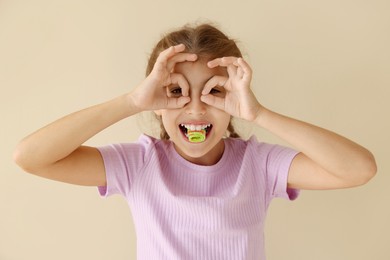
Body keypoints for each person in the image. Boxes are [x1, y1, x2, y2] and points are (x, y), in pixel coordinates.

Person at [13, 23, 377, 259]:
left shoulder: (259, 164)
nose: (196, 108)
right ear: (156, 99)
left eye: (214, 92)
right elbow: (30, 157)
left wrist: (258, 114)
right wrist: (131, 102)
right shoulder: (139, 164)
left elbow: (359, 169)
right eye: (176, 92)